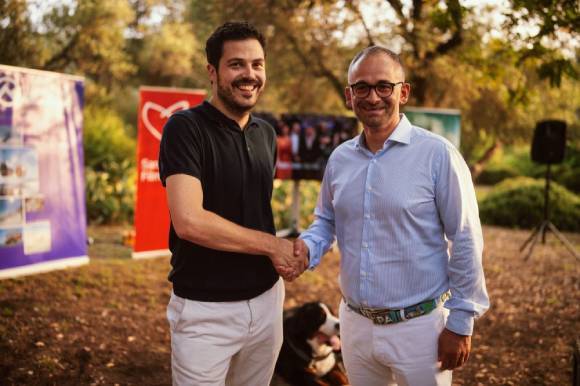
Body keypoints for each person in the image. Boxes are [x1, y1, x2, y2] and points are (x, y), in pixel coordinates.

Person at [294, 46, 489, 386]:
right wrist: (306, 250)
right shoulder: (340, 159)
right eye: (362, 88)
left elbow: (465, 237)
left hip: (421, 329)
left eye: (384, 86)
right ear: (348, 95)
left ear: (404, 91)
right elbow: (326, 220)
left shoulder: (437, 155)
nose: (373, 97)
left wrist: (460, 322)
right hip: (355, 326)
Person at [158, 22, 307, 386]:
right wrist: (273, 245)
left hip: (267, 302)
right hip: (206, 310)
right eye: (236, 64)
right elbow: (189, 221)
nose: (249, 75)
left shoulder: (266, 134)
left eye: (257, 64)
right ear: (212, 71)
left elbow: (255, 211)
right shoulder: (185, 128)